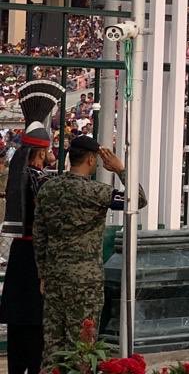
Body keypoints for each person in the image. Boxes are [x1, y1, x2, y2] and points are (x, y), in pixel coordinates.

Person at [34, 134, 147, 366]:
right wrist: (120, 170)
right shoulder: (97, 192)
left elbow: (40, 234)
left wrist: (43, 273)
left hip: (55, 276)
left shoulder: (48, 189)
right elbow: (138, 200)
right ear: (91, 160)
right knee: (83, 346)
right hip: (85, 281)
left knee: (53, 345)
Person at [1, 81, 61, 374]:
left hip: (20, 252)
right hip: (37, 254)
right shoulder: (42, 182)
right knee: (34, 321)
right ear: (41, 153)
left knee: (18, 323)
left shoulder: (26, 175)